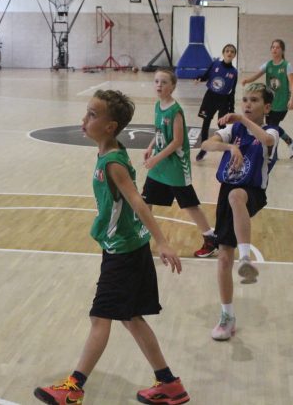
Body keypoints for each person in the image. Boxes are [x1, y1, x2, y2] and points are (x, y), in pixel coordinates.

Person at [34, 90, 190, 405]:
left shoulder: (113, 162)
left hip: (124, 252)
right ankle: (169, 384)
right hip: (127, 246)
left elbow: (138, 202)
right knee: (131, 317)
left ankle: (73, 388)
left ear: (110, 126)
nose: (84, 119)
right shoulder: (109, 151)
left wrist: (162, 241)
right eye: (87, 112)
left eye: (92, 114)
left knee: (100, 317)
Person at [201, 83, 279, 341]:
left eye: (254, 100)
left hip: (252, 191)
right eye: (244, 99)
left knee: (237, 195)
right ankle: (227, 316)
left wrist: (243, 120)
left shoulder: (271, 131)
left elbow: (267, 140)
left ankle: (245, 258)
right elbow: (206, 143)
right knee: (224, 258)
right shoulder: (232, 131)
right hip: (228, 192)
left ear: (266, 107)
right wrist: (229, 147)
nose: (247, 104)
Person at [141, 69, 216, 259]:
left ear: (173, 86)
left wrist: (156, 158)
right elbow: (159, 131)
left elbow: (177, 141)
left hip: (176, 166)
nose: (159, 85)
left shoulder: (175, 111)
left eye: (164, 82)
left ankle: (210, 238)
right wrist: (150, 147)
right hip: (160, 165)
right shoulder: (158, 105)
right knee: (145, 200)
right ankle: (142, 238)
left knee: (189, 204)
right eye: (156, 81)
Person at [241, 39, 293, 158]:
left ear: (282, 50)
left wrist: (291, 100)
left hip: (281, 103)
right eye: (273, 47)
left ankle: (273, 155)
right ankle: (290, 143)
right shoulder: (268, 65)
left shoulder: (286, 66)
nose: (274, 49)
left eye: (277, 47)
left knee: (272, 127)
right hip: (269, 102)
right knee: (271, 126)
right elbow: (256, 75)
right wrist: (247, 80)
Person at [194, 43, 238, 162]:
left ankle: (229, 150)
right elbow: (206, 76)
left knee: (222, 125)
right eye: (227, 51)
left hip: (224, 99)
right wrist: (199, 78)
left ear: (234, 55)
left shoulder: (234, 72)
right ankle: (203, 149)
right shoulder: (215, 64)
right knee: (206, 122)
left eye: (232, 51)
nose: (229, 53)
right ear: (223, 53)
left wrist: (231, 109)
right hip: (210, 97)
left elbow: (233, 91)